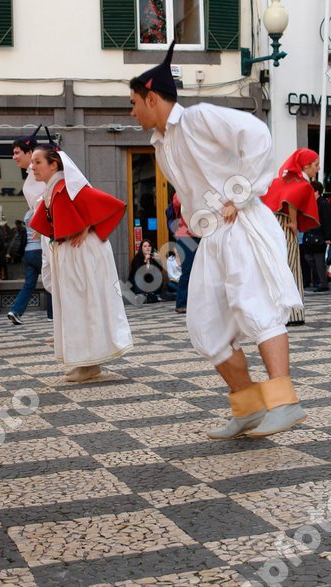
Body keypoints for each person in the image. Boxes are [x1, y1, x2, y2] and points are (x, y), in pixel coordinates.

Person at [130, 42, 305, 439]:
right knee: (206, 325)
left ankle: (285, 401)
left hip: (242, 223)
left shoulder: (199, 118)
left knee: (257, 307)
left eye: (134, 102)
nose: (132, 111)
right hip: (212, 236)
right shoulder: (160, 146)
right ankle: (248, 405)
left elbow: (258, 135)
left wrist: (239, 195)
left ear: (151, 97)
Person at [29, 144, 132, 382]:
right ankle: (82, 361)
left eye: (38, 162)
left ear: (54, 164)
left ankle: (90, 364)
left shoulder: (67, 187)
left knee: (84, 305)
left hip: (82, 255)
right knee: (76, 305)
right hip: (73, 255)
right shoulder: (55, 189)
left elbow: (111, 203)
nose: (32, 167)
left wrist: (87, 224)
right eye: (32, 162)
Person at [262, 149, 321, 326]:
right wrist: (294, 223)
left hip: (270, 224)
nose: (317, 169)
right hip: (285, 224)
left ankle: (277, 312)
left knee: (275, 268)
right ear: (306, 165)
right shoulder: (301, 183)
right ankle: (294, 313)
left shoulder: (281, 181)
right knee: (292, 266)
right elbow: (290, 201)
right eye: (316, 165)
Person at [7, 133, 46, 325]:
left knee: (49, 282)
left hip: (45, 243)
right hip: (40, 245)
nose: (14, 157)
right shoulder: (32, 178)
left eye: (16, 152)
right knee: (49, 282)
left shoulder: (41, 176)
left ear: (30, 152)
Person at [302, 181, 331, 292]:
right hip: (311, 236)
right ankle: (322, 279)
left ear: (316, 192)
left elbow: (327, 221)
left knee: (319, 261)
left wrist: (327, 237)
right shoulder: (311, 203)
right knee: (309, 258)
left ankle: (323, 283)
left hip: (320, 236)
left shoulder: (323, 203)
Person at [171, 193, 198, 314]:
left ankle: (195, 303)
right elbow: (177, 202)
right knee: (187, 269)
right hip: (185, 235)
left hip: (199, 234)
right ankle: (181, 303)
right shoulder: (180, 192)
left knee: (199, 270)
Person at [129, 239, 169, 303]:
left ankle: (155, 294)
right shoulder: (137, 258)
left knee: (158, 274)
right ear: (141, 248)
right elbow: (139, 271)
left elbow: (160, 269)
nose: (147, 248)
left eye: (149, 246)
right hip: (140, 284)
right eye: (145, 246)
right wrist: (145, 261)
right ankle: (140, 295)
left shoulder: (153, 257)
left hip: (150, 283)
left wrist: (159, 261)